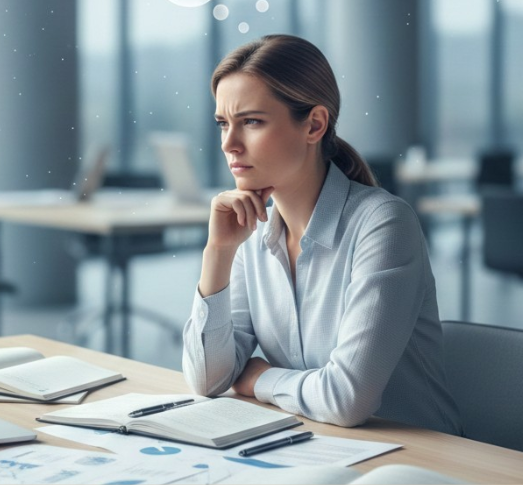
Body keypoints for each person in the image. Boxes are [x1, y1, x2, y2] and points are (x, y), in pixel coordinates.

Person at [182, 34, 461, 434]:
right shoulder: (251, 235)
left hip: (415, 462)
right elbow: (208, 379)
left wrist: (259, 378)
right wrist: (218, 253)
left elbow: (347, 400)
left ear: (314, 125)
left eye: (252, 122)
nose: (229, 144)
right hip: (316, 445)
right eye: (224, 123)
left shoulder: (383, 224)